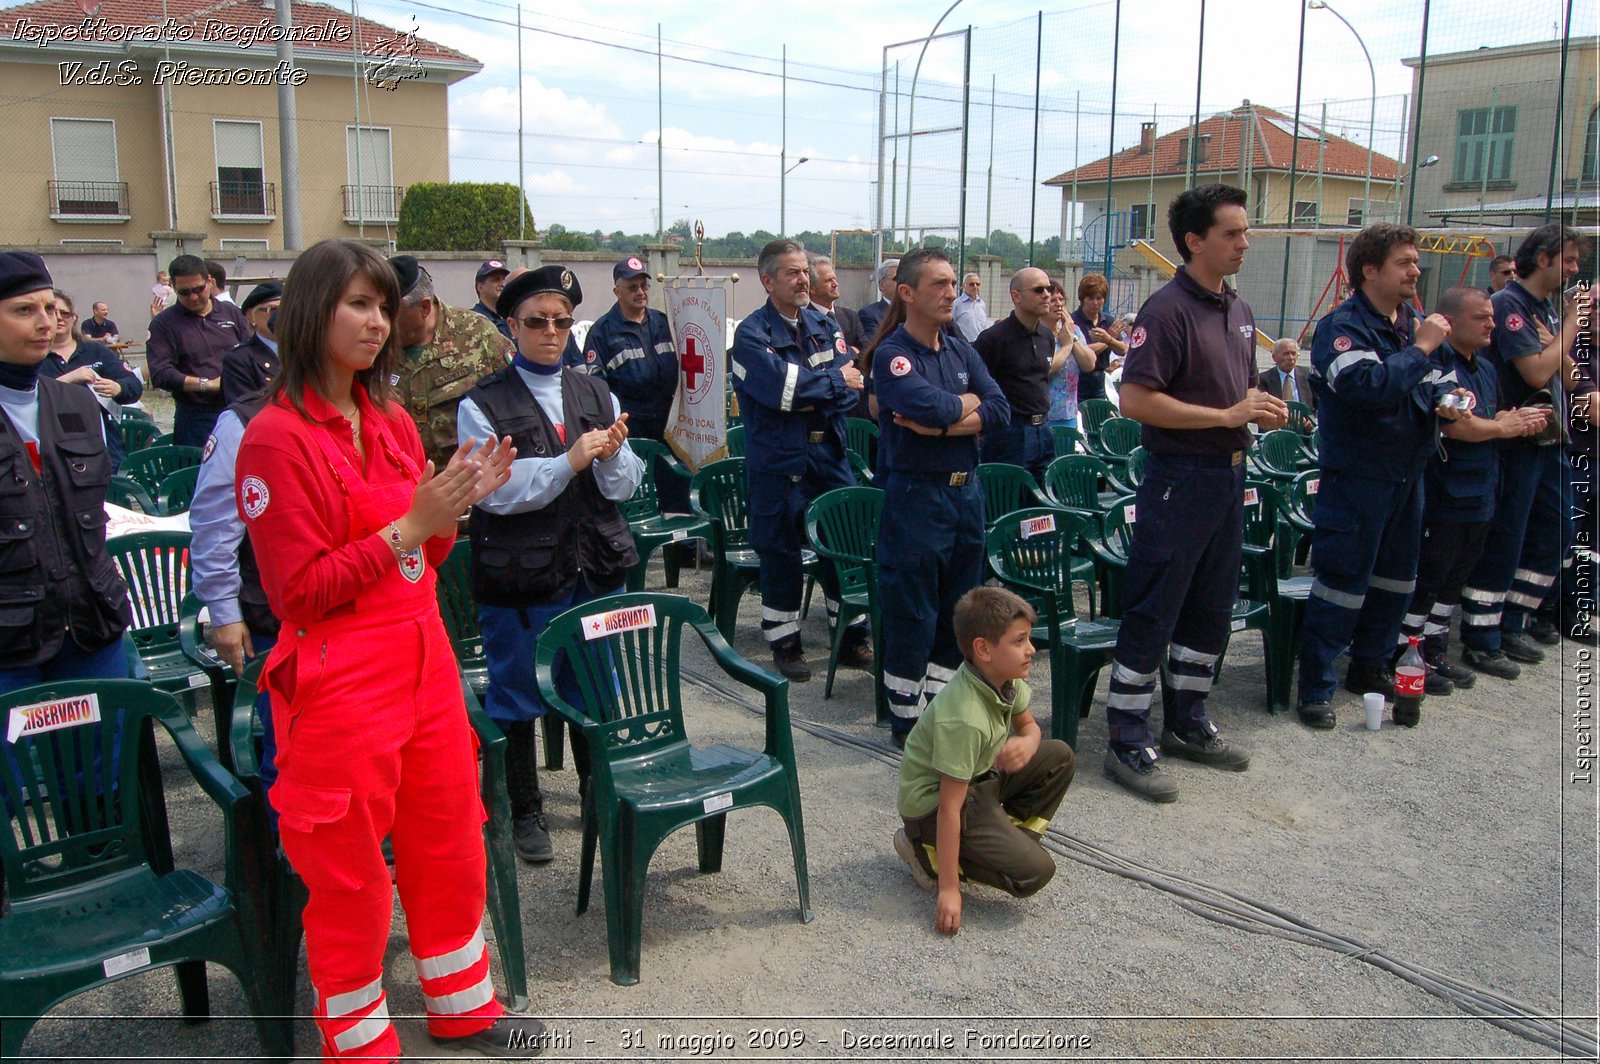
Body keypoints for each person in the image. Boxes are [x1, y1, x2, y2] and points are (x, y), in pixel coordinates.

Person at [235, 238, 532, 1060]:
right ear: (308, 313)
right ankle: (359, 1040)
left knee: (448, 833)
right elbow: (297, 591)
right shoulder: (275, 438)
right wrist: (412, 523)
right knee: (348, 872)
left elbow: (423, 557)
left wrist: (453, 507)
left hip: (422, 656)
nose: (378, 320)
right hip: (337, 678)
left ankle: (462, 1005)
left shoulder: (392, 420)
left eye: (381, 305)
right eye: (357, 305)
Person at [1100, 184, 1285, 802]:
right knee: (1158, 601)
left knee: (1211, 602)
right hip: (1180, 479)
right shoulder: (1168, 310)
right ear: (1194, 241)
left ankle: (1188, 718)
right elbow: (1136, 400)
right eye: (1232, 233)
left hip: (1229, 475)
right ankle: (1128, 734)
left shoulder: (1237, 309)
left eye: (1244, 231)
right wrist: (1226, 414)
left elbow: (1241, 391)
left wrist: (1260, 411)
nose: (1244, 243)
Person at [457, 264, 642, 864]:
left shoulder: (595, 392)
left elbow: (624, 484)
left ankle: (597, 790)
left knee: (592, 684)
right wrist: (568, 461)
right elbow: (493, 491)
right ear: (511, 326)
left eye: (562, 321)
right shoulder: (480, 403)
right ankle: (523, 806)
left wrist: (610, 457)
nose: (551, 331)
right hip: (521, 576)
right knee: (515, 692)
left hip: (590, 567)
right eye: (537, 321)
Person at [1295, 224, 1471, 729]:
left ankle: (1369, 667)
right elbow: (1365, 386)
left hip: (1407, 477)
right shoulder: (1341, 327)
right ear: (1371, 270)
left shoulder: (1413, 322)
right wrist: (1420, 350)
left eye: (1416, 262)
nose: (1416, 270)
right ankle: (1316, 688)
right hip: (1358, 479)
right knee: (1342, 582)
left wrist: (1453, 403)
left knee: (1396, 582)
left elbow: (1444, 383)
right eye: (1405, 262)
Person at [870, 248, 1009, 746]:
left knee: (957, 609)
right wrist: (962, 410)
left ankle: (940, 709)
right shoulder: (893, 355)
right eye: (939, 285)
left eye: (953, 283)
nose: (952, 293)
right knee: (914, 611)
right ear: (907, 293)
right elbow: (930, 405)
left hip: (965, 496)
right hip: (916, 498)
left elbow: (1000, 408)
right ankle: (906, 721)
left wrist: (946, 425)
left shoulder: (960, 348)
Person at [1394, 287, 1549, 710]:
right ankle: (1406, 652)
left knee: (1455, 577)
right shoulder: (1439, 364)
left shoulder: (1483, 366)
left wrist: (1512, 419)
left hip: (1482, 489)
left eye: (1491, 318)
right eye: (1481, 318)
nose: (1491, 325)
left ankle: (1436, 647)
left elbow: (1484, 417)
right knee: (1431, 574)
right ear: (1452, 321)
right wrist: (1502, 428)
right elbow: (1456, 426)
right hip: (1446, 493)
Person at [893, 586, 1075, 935]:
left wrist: (1029, 741)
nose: (1031, 649)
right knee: (1035, 873)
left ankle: (1002, 839)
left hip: (979, 780)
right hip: (934, 808)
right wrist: (949, 890)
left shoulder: (1004, 678)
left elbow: (1029, 726)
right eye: (1019, 641)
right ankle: (923, 853)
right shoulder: (965, 718)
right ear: (984, 649)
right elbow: (949, 806)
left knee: (1059, 756)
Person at [731, 239, 871, 681]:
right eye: (792, 273)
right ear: (767, 280)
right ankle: (785, 642)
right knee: (781, 553)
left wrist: (818, 387)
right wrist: (827, 383)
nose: (803, 279)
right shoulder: (752, 335)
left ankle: (849, 638)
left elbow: (850, 386)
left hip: (828, 453)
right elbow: (780, 391)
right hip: (778, 460)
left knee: (842, 545)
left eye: (805, 271)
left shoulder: (823, 324)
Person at [1458, 225, 1594, 679]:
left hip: (1549, 439)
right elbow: (1537, 372)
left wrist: (1558, 337)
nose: (1576, 269)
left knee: (1555, 528)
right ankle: (1482, 635)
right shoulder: (1511, 305)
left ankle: (1514, 619)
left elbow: (1566, 373)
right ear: (1544, 258)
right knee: (1508, 534)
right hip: (1517, 441)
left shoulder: (1546, 311)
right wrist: (1572, 327)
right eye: (1570, 260)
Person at [0, 254, 131, 696]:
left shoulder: (73, 403)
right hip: (10, 647)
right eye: (24, 310)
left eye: (51, 310)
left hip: (91, 629)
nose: (46, 322)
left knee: (101, 764)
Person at [574, 256, 686, 515]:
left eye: (644, 286)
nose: (640, 292)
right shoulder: (602, 332)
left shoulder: (663, 323)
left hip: (670, 427)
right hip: (631, 432)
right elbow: (595, 389)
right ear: (617, 292)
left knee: (678, 499)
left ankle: (684, 552)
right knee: (635, 505)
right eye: (632, 287)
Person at [387, 254, 514, 469]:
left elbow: (517, 399)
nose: (381, 321)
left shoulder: (478, 335)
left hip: (466, 484)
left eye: (391, 314)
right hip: (399, 484)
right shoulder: (374, 348)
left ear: (424, 308)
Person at [975, 267, 1073, 480]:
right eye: (1039, 290)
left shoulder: (1046, 336)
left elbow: (1040, 378)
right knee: (1007, 500)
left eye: (1048, 288)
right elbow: (976, 387)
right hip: (1009, 432)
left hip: (1043, 430)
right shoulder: (994, 339)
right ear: (1016, 296)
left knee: (1041, 504)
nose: (1047, 294)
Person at [145, 253, 250, 447]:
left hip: (239, 409)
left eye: (198, 289)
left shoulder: (231, 312)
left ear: (209, 281)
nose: (193, 297)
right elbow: (160, 373)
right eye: (184, 292)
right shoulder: (164, 324)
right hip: (196, 416)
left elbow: (250, 352)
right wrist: (207, 384)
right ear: (174, 289)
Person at [1043, 280, 1096, 430]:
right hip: (1046, 415)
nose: (1059, 304)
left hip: (1069, 414)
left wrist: (1072, 337)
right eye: (1053, 300)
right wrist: (1066, 346)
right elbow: (1044, 370)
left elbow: (1089, 364)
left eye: (1061, 299)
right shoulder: (1038, 335)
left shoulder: (1073, 331)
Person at [222, 282, 281, 405]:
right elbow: (246, 408)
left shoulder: (304, 352)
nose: (282, 316)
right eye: (273, 310)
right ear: (251, 316)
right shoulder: (239, 359)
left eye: (288, 309)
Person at [1072, 273, 1127, 404]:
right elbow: (1083, 352)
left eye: (1099, 298)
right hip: (1078, 381)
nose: (1095, 303)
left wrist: (1109, 339)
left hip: (1100, 381)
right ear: (1082, 298)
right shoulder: (1073, 321)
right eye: (1090, 298)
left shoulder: (1107, 320)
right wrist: (1108, 339)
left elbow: (1123, 349)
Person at [1257, 338, 1316, 414]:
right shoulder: (1263, 379)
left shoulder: (1308, 375)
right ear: (1274, 357)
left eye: (1293, 353)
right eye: (1286, 354)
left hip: (1305, 423)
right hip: (1276, 423)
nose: (1291, 358)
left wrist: (1311, 420)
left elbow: (1319, 405)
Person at [856, 258, 900, 341]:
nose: (902, 282)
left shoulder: (915, 312)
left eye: (905, 278)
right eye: (897, 278)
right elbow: (875, 345)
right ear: (882, 285)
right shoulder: (869, 314)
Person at [469, 259, 512, 340]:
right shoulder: (472, 320)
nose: (502, 284)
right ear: (480, 287)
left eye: (504, 280)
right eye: (496, 280)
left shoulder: (512, 318)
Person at [951, 272, 989, 342]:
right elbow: (951, 326)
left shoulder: (982, 304)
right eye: (971, 284)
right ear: (964, 286)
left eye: (978, 284)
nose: (975, 286)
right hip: (965, 345)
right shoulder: (956, 304)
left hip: (982, 344)